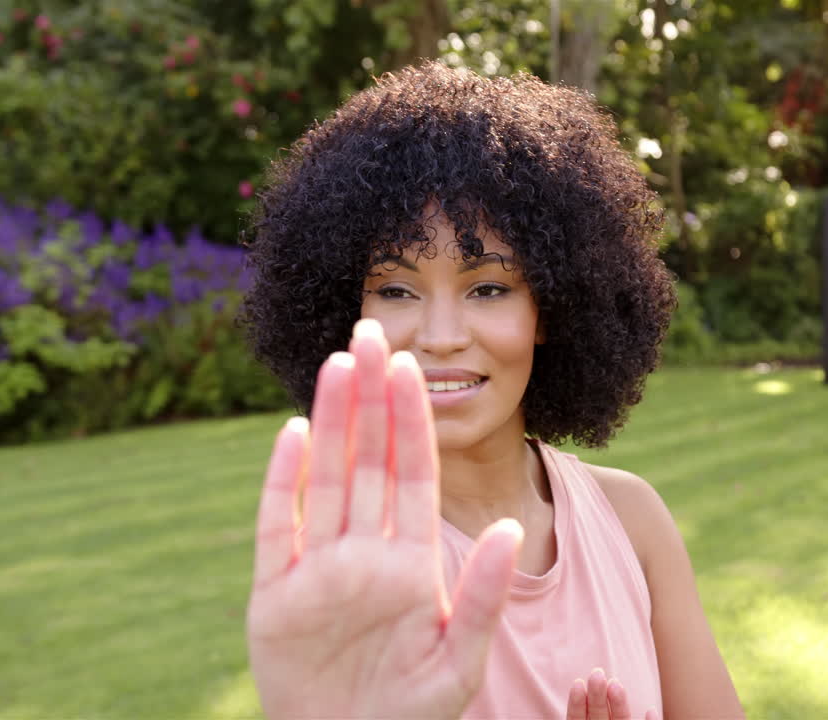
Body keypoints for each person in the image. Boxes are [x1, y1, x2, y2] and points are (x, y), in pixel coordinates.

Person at [240, 61, 744, 719]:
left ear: (552, 308)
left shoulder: (632, 520)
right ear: (344, 311)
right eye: (395, 289)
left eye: (488, 287)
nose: (441, 335)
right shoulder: (357, 569)